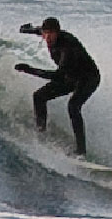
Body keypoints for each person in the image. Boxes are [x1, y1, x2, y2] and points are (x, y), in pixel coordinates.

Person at [17, 16, 103, 155]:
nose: (48, 37)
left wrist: (30, 70)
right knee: (39, 96)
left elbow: (57, 76)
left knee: (73, 106)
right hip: (70, 77)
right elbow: (38, 30)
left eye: (51, 34)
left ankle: (81, 151)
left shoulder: (67, 47)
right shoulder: (45, 34)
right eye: (46, 33)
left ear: (58, 32)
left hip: (88, 78)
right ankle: (40, 134)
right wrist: (27, 29)